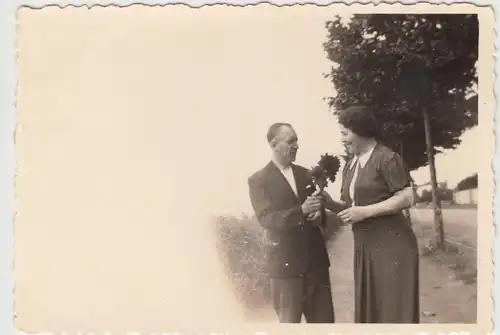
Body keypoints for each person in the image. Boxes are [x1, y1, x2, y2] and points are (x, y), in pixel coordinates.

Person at [324, 105, 419, 323]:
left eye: (344, 133)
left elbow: (407, 197)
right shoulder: (349, 167)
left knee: (393, 312)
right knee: (373, 315)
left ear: (360, 131)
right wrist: (328, 203)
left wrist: (365, 212)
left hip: (392, 246)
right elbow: (350, 207)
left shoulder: (386, 158)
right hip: (365, 246)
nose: (342, 139)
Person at [247, 122, 335, 323]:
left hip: (316, 265)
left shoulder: (306, 174)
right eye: (291, 141)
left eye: (297, 141)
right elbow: (266, 218)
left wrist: (318, 215)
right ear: (274, 144)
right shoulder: (258, 180)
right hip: (285, 270)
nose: (296, 146)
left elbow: (319, 211)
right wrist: (301, 211)